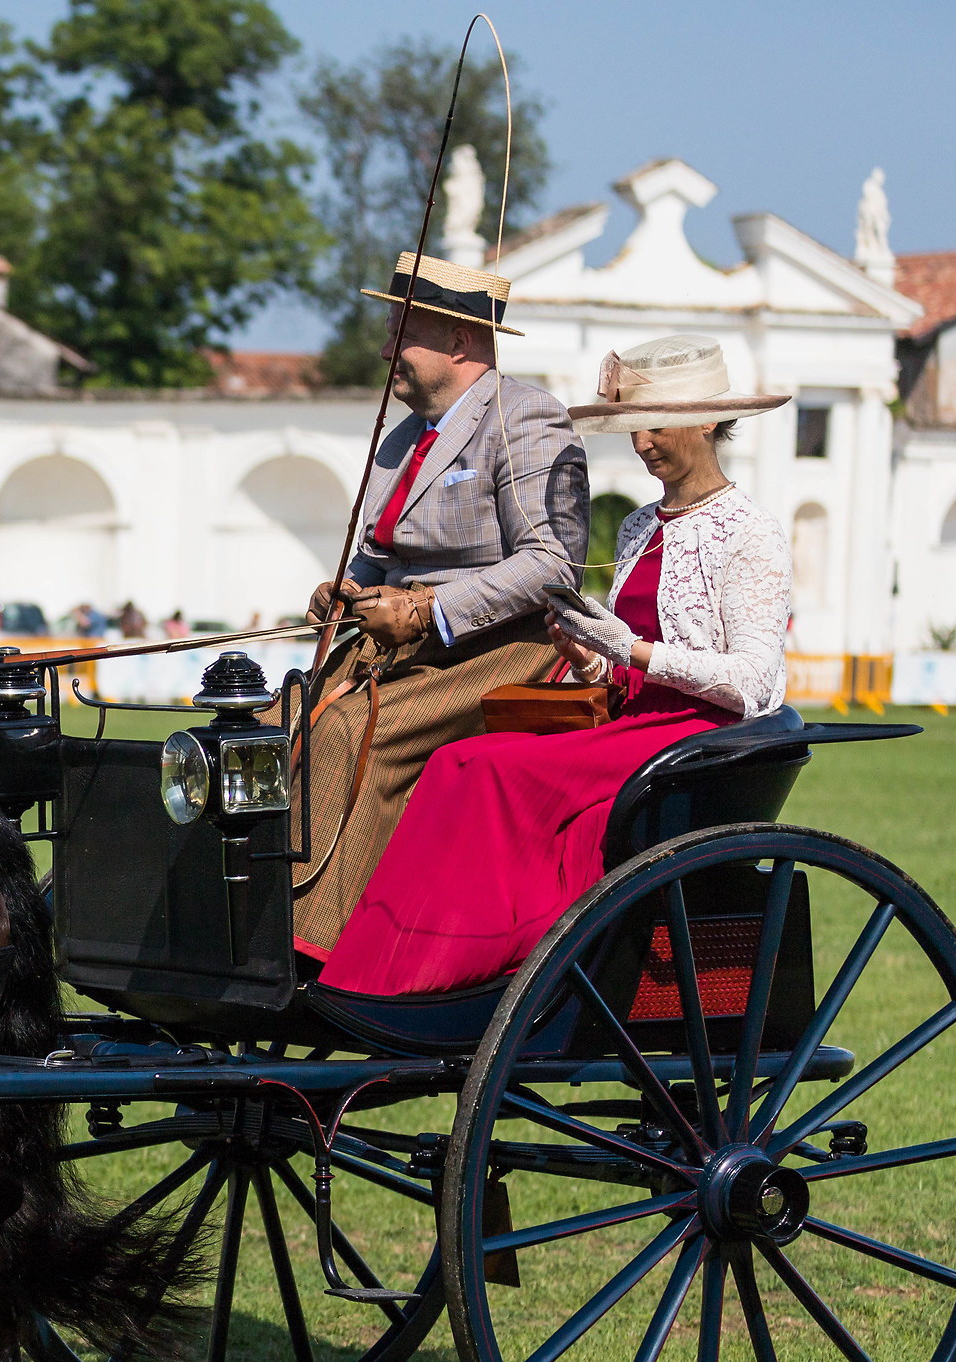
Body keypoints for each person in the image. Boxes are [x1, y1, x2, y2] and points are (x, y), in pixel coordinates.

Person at [322, 334, 792, 995]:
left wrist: (628, 648)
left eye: (656, 426)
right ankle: (394, 965)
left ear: (708, 420)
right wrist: (591, 655)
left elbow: (752, 681)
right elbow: (623, 672)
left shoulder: (751, 532)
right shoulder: (636, 528)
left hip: (699, 741)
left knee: (487, 771)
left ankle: (449, 969)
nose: (642, 444)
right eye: (634, 428)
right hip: (630, 720)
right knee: (460, 759)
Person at [284, 252, 591, 962]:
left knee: (350, 733)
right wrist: (348, 589)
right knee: (272, 726)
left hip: (500, 644)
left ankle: (312, 944)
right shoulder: (402, 438)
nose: (387, 347)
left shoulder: (527, 418)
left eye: (402, 330)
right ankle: (244, 913)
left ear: (458, 342)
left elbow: (552, 563)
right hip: (394, 644)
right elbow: (381, 552)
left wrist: (427, 612)